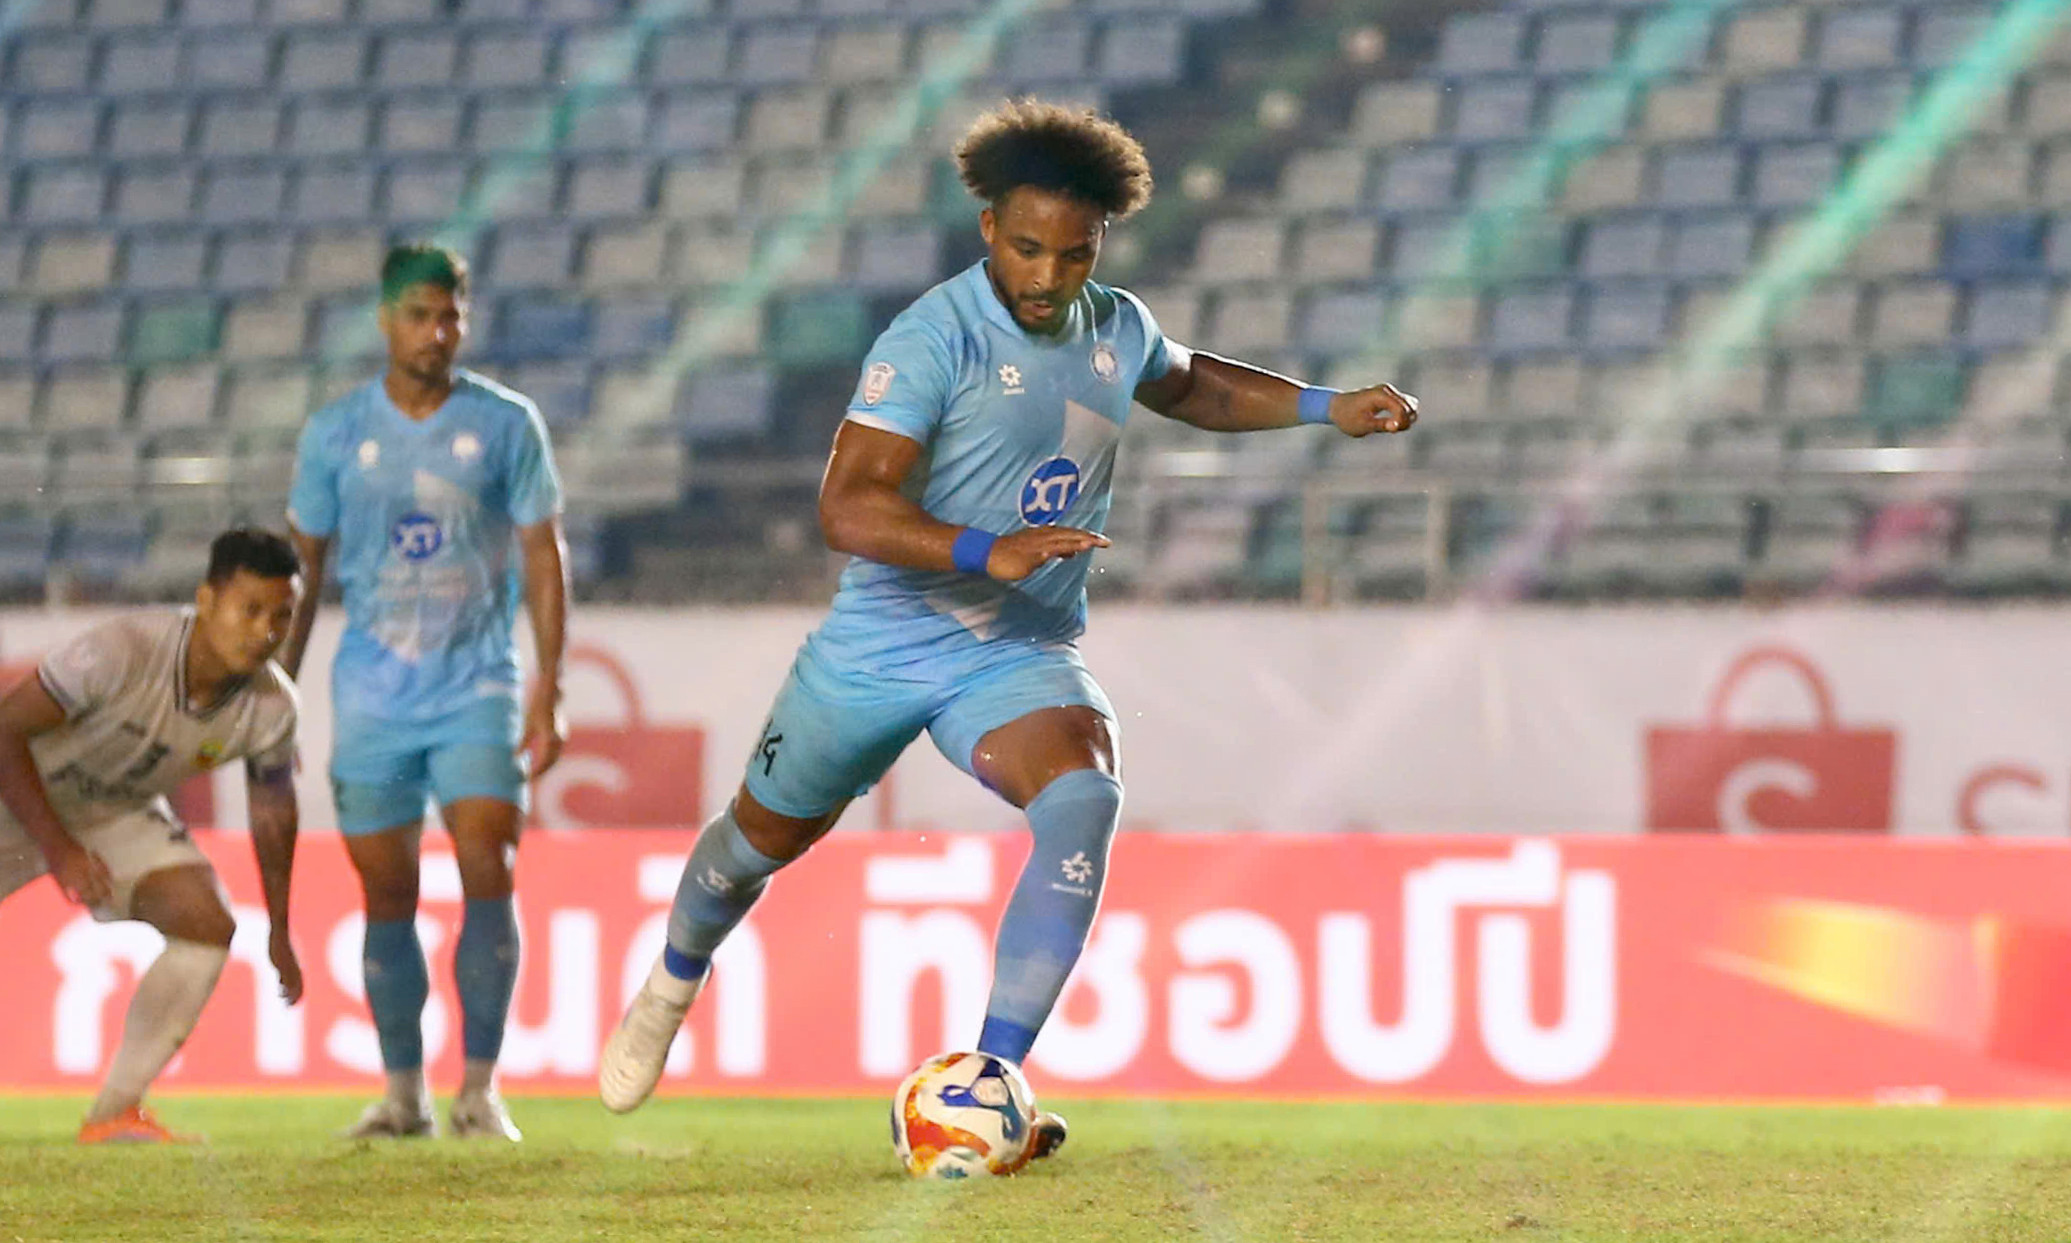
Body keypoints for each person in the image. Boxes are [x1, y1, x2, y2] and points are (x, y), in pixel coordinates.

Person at [599, 99, 1419, 1153]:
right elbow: (847, 507)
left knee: (1083, 794)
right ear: (988, 227)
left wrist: (1322, 405)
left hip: (1017, 649)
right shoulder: (931, 339)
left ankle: (989, 1082)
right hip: (883, 641)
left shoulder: (1115, 325)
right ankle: (672, 981)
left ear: (1100, 243)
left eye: (1073, 255)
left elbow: (1192, 387)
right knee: (757, 845)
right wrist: (987, 550)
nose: (1047, 277)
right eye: (1027, 248)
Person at [281, 243, 569, 1142]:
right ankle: (404, 1094)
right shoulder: (335, 433)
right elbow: (302, 572)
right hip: (373, 692)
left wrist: (549, 685)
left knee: (490, 864)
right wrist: (276, 690)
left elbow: (543, 555)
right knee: (386, 892)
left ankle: (480, 1091)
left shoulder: (507, 424)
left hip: (477, 682)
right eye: (418, 315)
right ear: (385, 319)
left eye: (450, 316)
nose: (436, 332)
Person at [0, 528, 305, 1144]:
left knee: (206, 921)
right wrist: (59, 849)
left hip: (110, 811)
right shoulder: (125, 650)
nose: (266, 631)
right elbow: (5, 731)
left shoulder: (274, 707)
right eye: (250, 609)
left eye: (282, 615)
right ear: (207, 600)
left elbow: (273, 813)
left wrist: (279, 927)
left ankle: (115, 1112)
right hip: (17, 794)